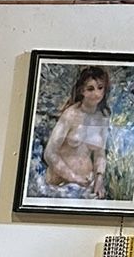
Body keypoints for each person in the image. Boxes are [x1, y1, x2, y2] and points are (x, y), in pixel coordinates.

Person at [41, 66, 111, 198]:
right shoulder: (70, 115)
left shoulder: (103, 117)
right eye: (90, 89)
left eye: (100, 88)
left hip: (86, 186)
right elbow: (49, 153)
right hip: (60, 187)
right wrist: (73, 177)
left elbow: (100, 153)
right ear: (82, 91)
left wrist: (99, 179)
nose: (97, 93)